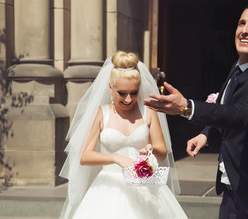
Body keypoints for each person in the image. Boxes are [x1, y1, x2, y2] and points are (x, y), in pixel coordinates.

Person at [144, 2, 248, 218]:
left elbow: (242, 115)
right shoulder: (237, 69)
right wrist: (206, 134)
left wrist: (186, 108)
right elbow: (225, 109)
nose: (245, 30)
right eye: (241, 23)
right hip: (232, 192)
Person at [59, 51, 188, 219]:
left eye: (134, 93)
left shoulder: (148, 111)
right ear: (110, 88)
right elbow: (85, 156)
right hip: (109, 187)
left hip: (145, 185)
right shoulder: (101, 113)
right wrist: (116, 158)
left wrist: (151, 149)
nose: (128, 99)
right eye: (122, 93)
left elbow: (162, 151)